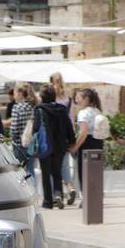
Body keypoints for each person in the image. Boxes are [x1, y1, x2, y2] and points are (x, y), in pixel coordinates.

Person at [31, 85, 75, 209]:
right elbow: (69, 126)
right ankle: (58, 195)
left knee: (46, 174)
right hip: (60, 146)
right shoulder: (62, 109)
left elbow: (35, 129)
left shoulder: (39, 110)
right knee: (57, 172)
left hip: (45, 147)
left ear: (42, 97)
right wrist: (72, 140)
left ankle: (48, 202)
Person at [50, 72, 78, 206]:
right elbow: (71, 121)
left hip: (52, 137)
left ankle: (57, 196)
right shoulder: (69, 100)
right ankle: (70, 187)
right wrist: (72, 139)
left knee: (52, 168)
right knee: (65, 166)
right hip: (65, 138)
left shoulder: (50, 100)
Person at [70, 88, 104, 190]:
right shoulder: (97, 111)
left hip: (87, 143)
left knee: (84, 171)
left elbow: (83, 132)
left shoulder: (83, 113)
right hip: (98, 142)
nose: (76, 100)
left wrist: (75, 147)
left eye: (79, 98)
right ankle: (95, 196)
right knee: (95, 170)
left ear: (86, 99)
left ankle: (86, 197)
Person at [9, 83, 36, 181]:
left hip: (19, 144)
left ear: (20, 94)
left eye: (15, 93)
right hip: (31, 143)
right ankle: (34, 191)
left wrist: (10, 137)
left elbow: (14, 128)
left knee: (19, 170)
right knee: (30, 170)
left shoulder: (17, 107)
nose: (13, 95)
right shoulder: (32, 106)